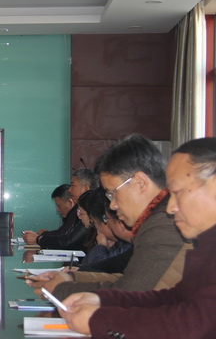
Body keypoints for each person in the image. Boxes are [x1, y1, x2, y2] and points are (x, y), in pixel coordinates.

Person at [61, 137, 216, 339]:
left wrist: (100, 320)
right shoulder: (207, 244)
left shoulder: (165, 227)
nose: (171, 208)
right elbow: (174, 298)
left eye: (177, 193)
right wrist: (100, 300)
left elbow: (194, 323)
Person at [28, 134, 187, 300]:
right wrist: (72, 277)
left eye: (113, 193)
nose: (113, 205)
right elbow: (120, 270)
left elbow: (133, 292)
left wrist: (62, 289)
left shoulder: (165, 225)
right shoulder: (154, 222)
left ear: (141, 182)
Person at [23, 183, 90, 251]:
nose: (57, 210)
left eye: (59, 206)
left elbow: (66, 241)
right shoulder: (72, 215)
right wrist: (44, 235)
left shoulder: (78, 215)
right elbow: (61, 233)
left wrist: (39, 238)